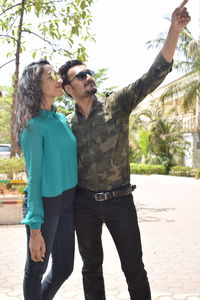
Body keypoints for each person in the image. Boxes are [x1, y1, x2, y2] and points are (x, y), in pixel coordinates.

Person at [59, 1, 191, 299]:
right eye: (81, 76)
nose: (88, 76)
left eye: (88, 72)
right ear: (69, 89)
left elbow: (153, 75)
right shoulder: (66, 125)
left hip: (120, 202)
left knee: (134, 269)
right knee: (90, 269)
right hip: (85, 206)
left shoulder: (117, 104)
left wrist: (173, 30)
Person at [14, 60, 78, 300]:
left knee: (64, 268)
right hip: (45, 206)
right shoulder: (33, 127)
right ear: (36, 86)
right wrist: (35, 231)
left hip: (68, 204)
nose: (59, 79)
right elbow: (35, 179)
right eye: (51, 76)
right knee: (36, 270)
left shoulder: (61, 119)